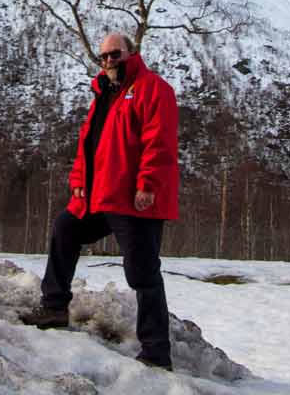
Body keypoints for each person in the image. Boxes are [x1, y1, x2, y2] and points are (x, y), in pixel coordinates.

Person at [21, 31, 179, 371]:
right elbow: (88, 144)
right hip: (101, 196)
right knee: (65, 227)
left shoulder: (152, 88)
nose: (108, 61)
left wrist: (148, 184)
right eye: (103, 56)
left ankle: (156, 353)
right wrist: (79, 181)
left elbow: (159, 141)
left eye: (115, 55)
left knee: (143, 273)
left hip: (135, 199)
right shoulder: (103, 95)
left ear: (130, 54)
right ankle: (54, 307)